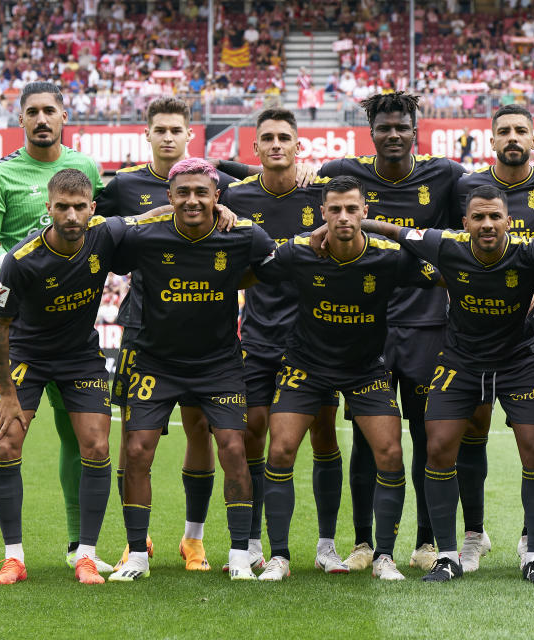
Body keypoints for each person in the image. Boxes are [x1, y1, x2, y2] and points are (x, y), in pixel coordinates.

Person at [354, 185, 534, 583]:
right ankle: (446, 556)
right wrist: (356, 221)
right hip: (462, 361)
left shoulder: (533, 249)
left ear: (509, 221)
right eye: (478, 217)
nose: (487, 224)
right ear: (466, 223)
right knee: (438, 446)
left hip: (519, 361)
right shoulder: (445, 244)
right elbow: (393, 231)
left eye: (495, 216)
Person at [252, 175, 440, 582]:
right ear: (322, 213)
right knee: (281, 450)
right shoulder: (300, 251)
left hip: (366, 369)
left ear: (364, 212)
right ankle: (279, 556)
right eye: (334, 209)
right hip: (306, 366)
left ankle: (384, 557)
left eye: (351, 209)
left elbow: (445, 271)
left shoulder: (389, 256)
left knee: (390, 454)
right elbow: (250, 270)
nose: (343, 217)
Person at [0, 81, 106, 577]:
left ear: (65, 117)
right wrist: (17, 264)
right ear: (20, 120)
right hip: (17, 322)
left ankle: (74, 543)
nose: (42, 119)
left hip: (70, 327)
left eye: (51, 111)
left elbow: (105, 223)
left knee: (76, 434)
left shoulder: (84, 169)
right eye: (33, 112)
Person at [106, 158, 275, 582]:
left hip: (218, 363)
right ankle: (139, 555)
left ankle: (239, 555)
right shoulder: (144, 237)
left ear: (218, 197)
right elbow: (101, 244)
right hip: (154, 361)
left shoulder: (243, 235)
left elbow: (274, 266)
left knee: (234, 449)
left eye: (202, 192)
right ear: (169, 197)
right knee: (137, 451)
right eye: (183, 192)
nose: (192, 200)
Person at [318, 92, 466, 572]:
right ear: (372, 133)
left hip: (429, 327)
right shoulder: (344, 170)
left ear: (415, 129)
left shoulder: (443, 175)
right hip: (371, 328)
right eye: (385, 128)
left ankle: (425, 543)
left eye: (402, 126)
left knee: (429, 438)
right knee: (367, 439)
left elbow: (495, 191)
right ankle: (363, 542)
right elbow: (280, 183)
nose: (394, 135)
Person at [94, 97, 237, 573]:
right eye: (161, 129)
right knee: (136, 437)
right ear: (148, 134)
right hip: (142, 329)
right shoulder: (127, 185)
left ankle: (192, 540)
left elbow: (255, 189)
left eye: (177, 129)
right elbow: (97, 226)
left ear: (189, 133)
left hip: (205, 332)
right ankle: (138, 541)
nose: (169, 136)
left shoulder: (216, 182)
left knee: (200, 429)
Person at [219, 109, 346, 573]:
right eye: (268, 138)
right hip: (257, 337)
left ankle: (327, 544)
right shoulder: (235, 197)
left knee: (324, 436)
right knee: (254, 433)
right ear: (256, 149)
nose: (276, 145)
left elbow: (357, 171)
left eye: (285, 138)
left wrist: (325, 172)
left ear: (298, 146)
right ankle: (252, 540)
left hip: (314, 340)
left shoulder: (319, 193)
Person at [0, 169, 124, 585]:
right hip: (28, 354)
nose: (70, 215)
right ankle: (13, 558)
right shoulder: (21, 260)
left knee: (97, 446)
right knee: (6, 443)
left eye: (79, 207)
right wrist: (7, 392)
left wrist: (220, 207)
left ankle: (85, 555)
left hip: (80, 355)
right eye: (61, 206)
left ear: (92, 209)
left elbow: (155, 216)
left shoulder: (105, 235)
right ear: (48, 208)